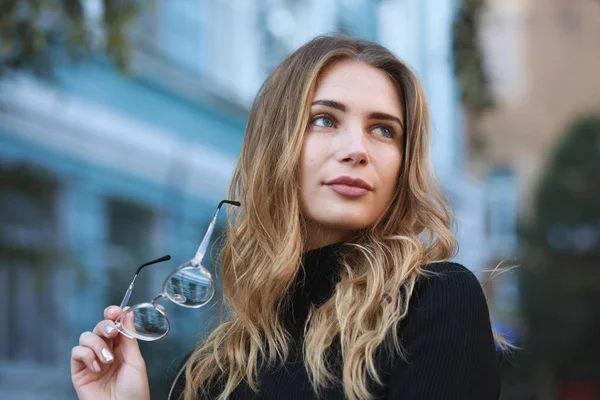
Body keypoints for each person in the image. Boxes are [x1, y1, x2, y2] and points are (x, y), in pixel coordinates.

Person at [70, 35, 504, 400]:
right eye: (324, 119)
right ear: (276, 145)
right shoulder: (212, 373)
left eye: (383, 129)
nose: (357, 149)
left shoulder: (434, 302)